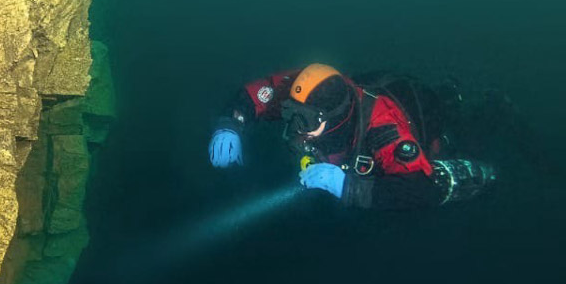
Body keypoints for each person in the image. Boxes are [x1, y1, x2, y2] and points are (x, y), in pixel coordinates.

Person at [208, 63, 498, 209]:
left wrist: (349, 187)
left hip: (418, 110)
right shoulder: (302, 92)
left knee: (457, 129)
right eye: (289, 112)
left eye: (304, 120)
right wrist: (229, 125)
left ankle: (487, 106)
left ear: (332, 118)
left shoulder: (383, 129)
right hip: (374, 84)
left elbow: (422, 186)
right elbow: (253, 95)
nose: (295, 127)